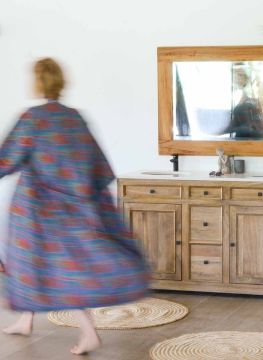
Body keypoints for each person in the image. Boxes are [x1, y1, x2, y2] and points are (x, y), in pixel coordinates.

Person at [0, 58, 149, 355]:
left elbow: (8, 159)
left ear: (38, 82)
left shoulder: (33, 118)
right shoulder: (75, 118)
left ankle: (89, 333)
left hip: (38, 213)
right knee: (43, 266)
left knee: (52, 269)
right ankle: (26, 320)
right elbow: (99, 167)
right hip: (75, 210)